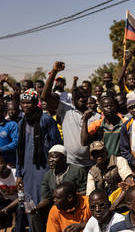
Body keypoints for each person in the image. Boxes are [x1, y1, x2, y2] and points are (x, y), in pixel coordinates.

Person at [16, 88, 62, 232]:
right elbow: (19, 150)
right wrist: (18, 173)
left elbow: (57, 145)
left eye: (28, 102)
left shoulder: (46, 119)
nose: (25, 106)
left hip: (45, 170)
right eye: (22, 103)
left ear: (35, 103)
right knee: (30, 205)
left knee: (46, 203)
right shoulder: (21, 123)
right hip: (27, 172)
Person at [43, 61, 101, 167]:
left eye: (83, 96)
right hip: (70, 164)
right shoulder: (65, 109)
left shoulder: (97, 117)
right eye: (77, 97)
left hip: (91, 165)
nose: (81, 99)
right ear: (73, 99)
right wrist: (54, 72)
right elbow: (45, 96)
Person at [36, 145, 87, 216]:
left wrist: (67, 198)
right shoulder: (47, 176)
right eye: (49, 157)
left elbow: (85, 191)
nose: (51, 160)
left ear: (64, 159)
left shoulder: (77, 170)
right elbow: (46, 198)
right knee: (36, 214)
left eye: (54, 157)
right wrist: (36, 208)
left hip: (75, 204)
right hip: (57, 207)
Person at [119, 91, 135, 169]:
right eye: (131, 108)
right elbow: (124, 149)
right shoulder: (126, 126)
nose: (134, 110)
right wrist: (133, 162)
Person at [0, 99, 18, 167]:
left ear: (4, 112)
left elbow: (16, 142)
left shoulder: (12, 125)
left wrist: (1, 149)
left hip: (9, 164)